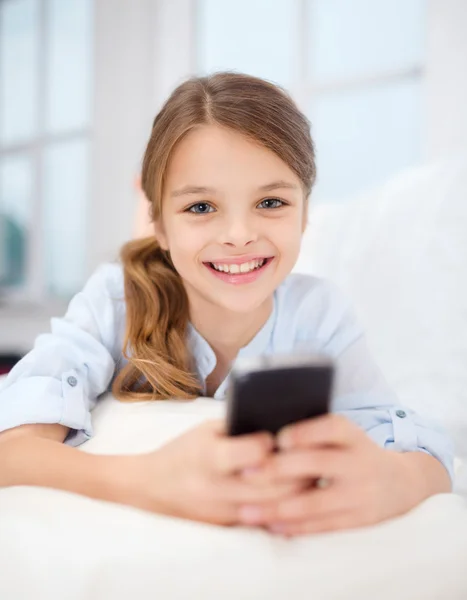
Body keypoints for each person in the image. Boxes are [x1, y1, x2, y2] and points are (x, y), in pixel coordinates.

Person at [0, 72, 453, 536]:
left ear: (305, 212)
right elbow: (12, 450)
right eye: (200, 207)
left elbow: (422, 448)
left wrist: (397, 480)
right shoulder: (116, 301)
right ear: (158, 223)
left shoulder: (319, 315)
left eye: (271, 201)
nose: (239, 235)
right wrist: (150, 480)